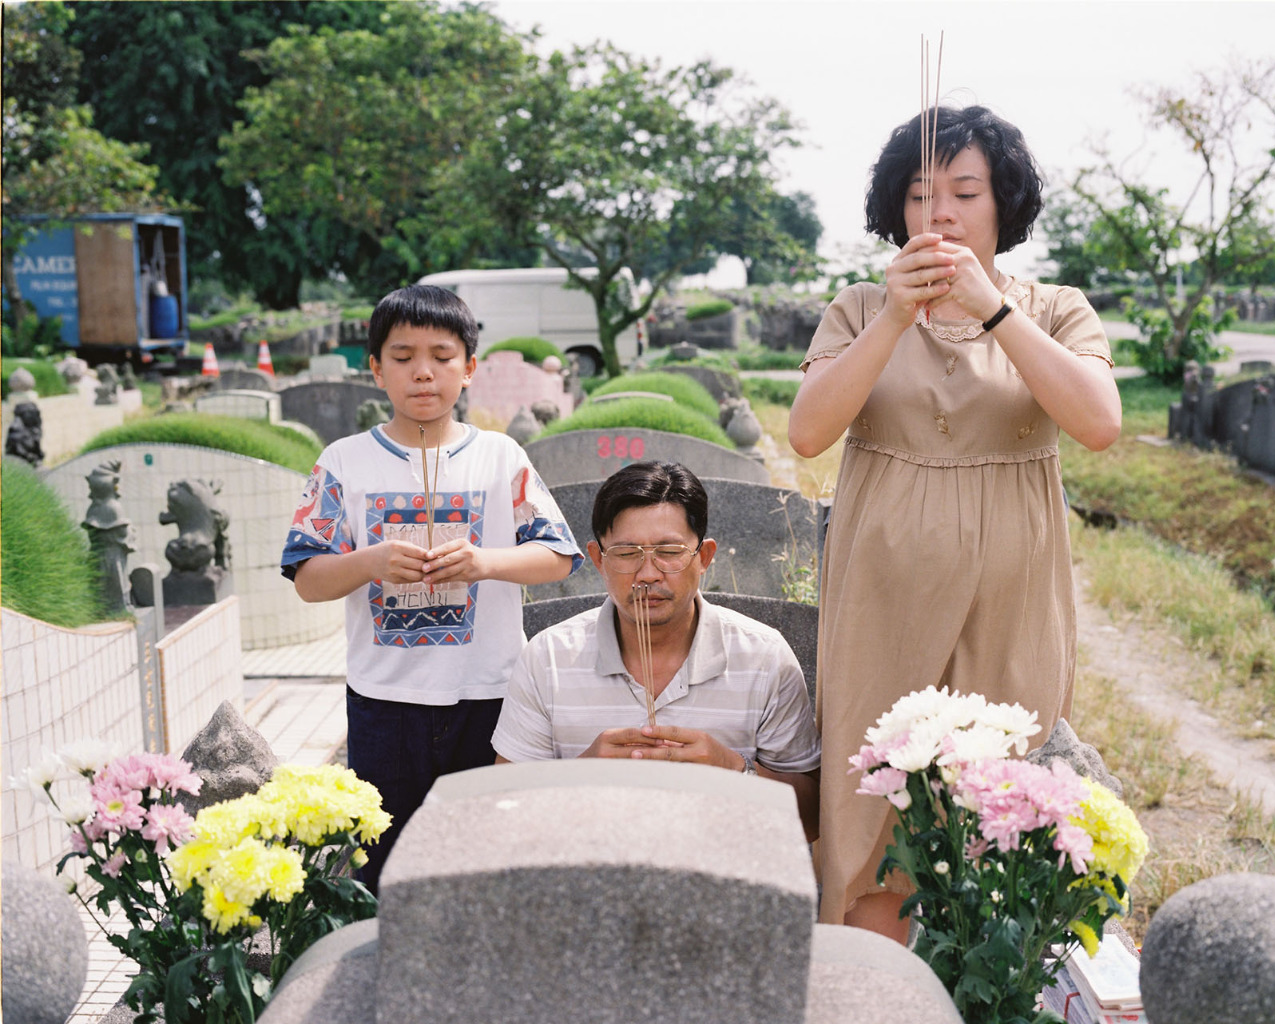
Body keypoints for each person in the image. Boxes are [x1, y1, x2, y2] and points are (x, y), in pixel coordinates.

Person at [787, 105, 1121, 940]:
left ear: (1001, 204)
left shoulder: (1055, 308)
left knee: (1000, 789)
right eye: (918, 193)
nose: (939, 213)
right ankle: (870, 983)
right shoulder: (862, 305)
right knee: (872, 795)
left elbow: (1099, 422)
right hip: (881, 593)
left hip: (1012, 592)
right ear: (893, 209)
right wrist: (898, 317)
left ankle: (990, 978)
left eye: (963, 192)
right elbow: (807, 431)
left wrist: (994, 311)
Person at [281, 284, 582, 894]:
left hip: (492, 697)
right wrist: (372, 560)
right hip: (384, 703)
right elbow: (308, 580)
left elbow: (557, 557)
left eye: (443, 356)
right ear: (375, 368)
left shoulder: (500, 456)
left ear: (469, 368)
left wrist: (483, 562)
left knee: (487, 865)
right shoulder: (343, 462)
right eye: (402, 356)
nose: (424, 372)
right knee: (386, 870)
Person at [491, 461, 821, 840]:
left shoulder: (764, 658)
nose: (648, 574)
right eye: (627, 554)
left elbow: (813, 819)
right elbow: (505, 810)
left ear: (704, 557)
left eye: (669, 551)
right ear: (598, 560)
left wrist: (734, 769)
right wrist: (579, 775)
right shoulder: (547, 658)